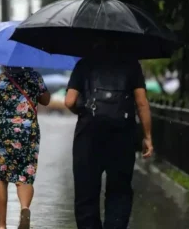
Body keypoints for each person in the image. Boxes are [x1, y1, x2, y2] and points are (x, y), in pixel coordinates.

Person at [64, 41, 153, 229]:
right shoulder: (131, 64)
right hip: (122, 135)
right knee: (119, 191)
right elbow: (142, 103)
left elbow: (69, 101)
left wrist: (84, 112)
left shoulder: (84, 63)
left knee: (86, 193)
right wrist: (147, 136)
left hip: (88, 135)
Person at [0, 66, 51, 229]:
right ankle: (25, 208)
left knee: (1, 177)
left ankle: (1, 224)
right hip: (28, 130)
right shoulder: (35, 78)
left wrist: (6, 113)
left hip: (3, 130)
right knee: (25, 174)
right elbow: (46, 101)